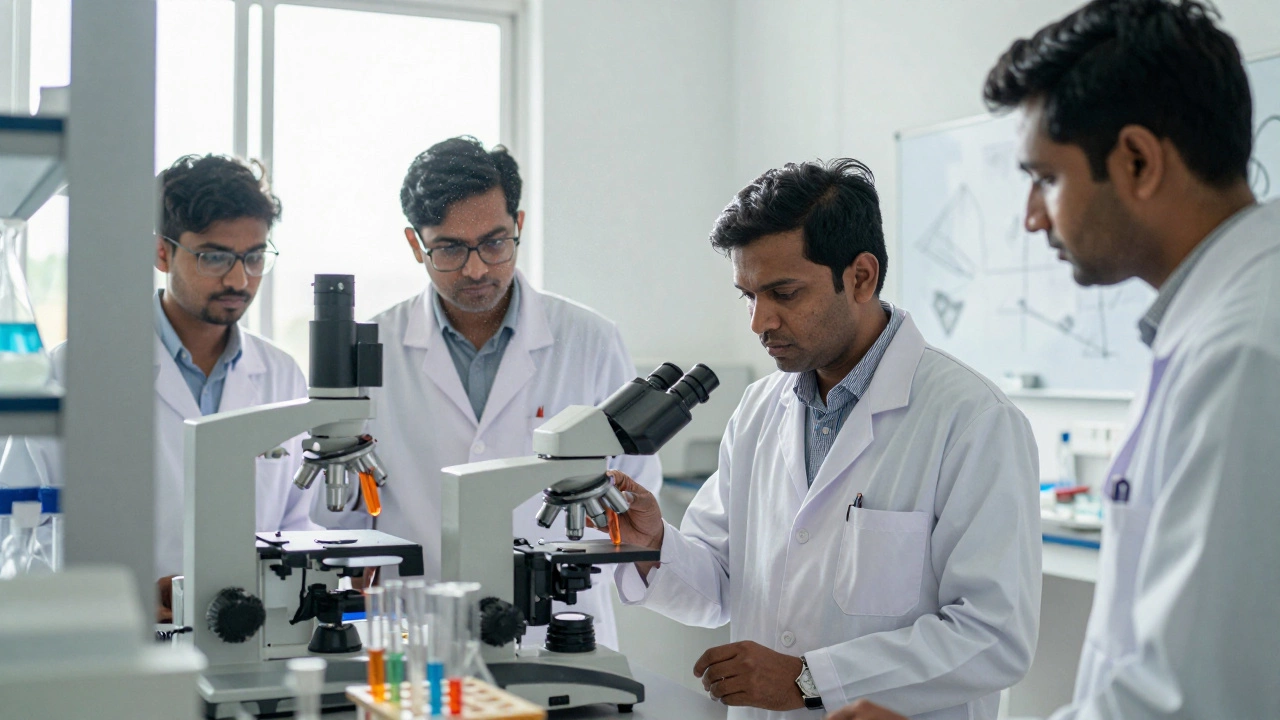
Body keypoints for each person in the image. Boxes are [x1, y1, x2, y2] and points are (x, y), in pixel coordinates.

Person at [827, 1, 1280, 719]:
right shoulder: (1222, 318)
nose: (1034, 216)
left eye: (1046, 178)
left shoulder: (1243, 352)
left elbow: (1187, 700)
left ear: (1137, 160)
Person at [604, 158, 1041, 719]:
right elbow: (720, 584)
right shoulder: (760, 410)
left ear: (861, 276)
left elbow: (992, 637)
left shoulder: (973, 420)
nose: (760, 322)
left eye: (784, 293)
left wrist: (813, 680)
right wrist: (655, 542)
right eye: (749, 295)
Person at [312, 136, 662, 650]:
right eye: (451, 248)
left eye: (494, 242)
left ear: (518, 227)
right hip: (417, 635)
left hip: (561, 631)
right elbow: (336, 520)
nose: (476, 269)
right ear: (415, 244)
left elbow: (632, 496)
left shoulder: (589, 339)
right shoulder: (373, 346)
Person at [3, 154, 317, 619]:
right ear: (161, 252)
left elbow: (294, 521)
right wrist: (119, 596)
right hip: (114, 640)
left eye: (254, 257)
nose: (238, 279)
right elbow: (15, 527)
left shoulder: (281, 374)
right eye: (213, 256)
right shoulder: (74, 370)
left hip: (249, 636)